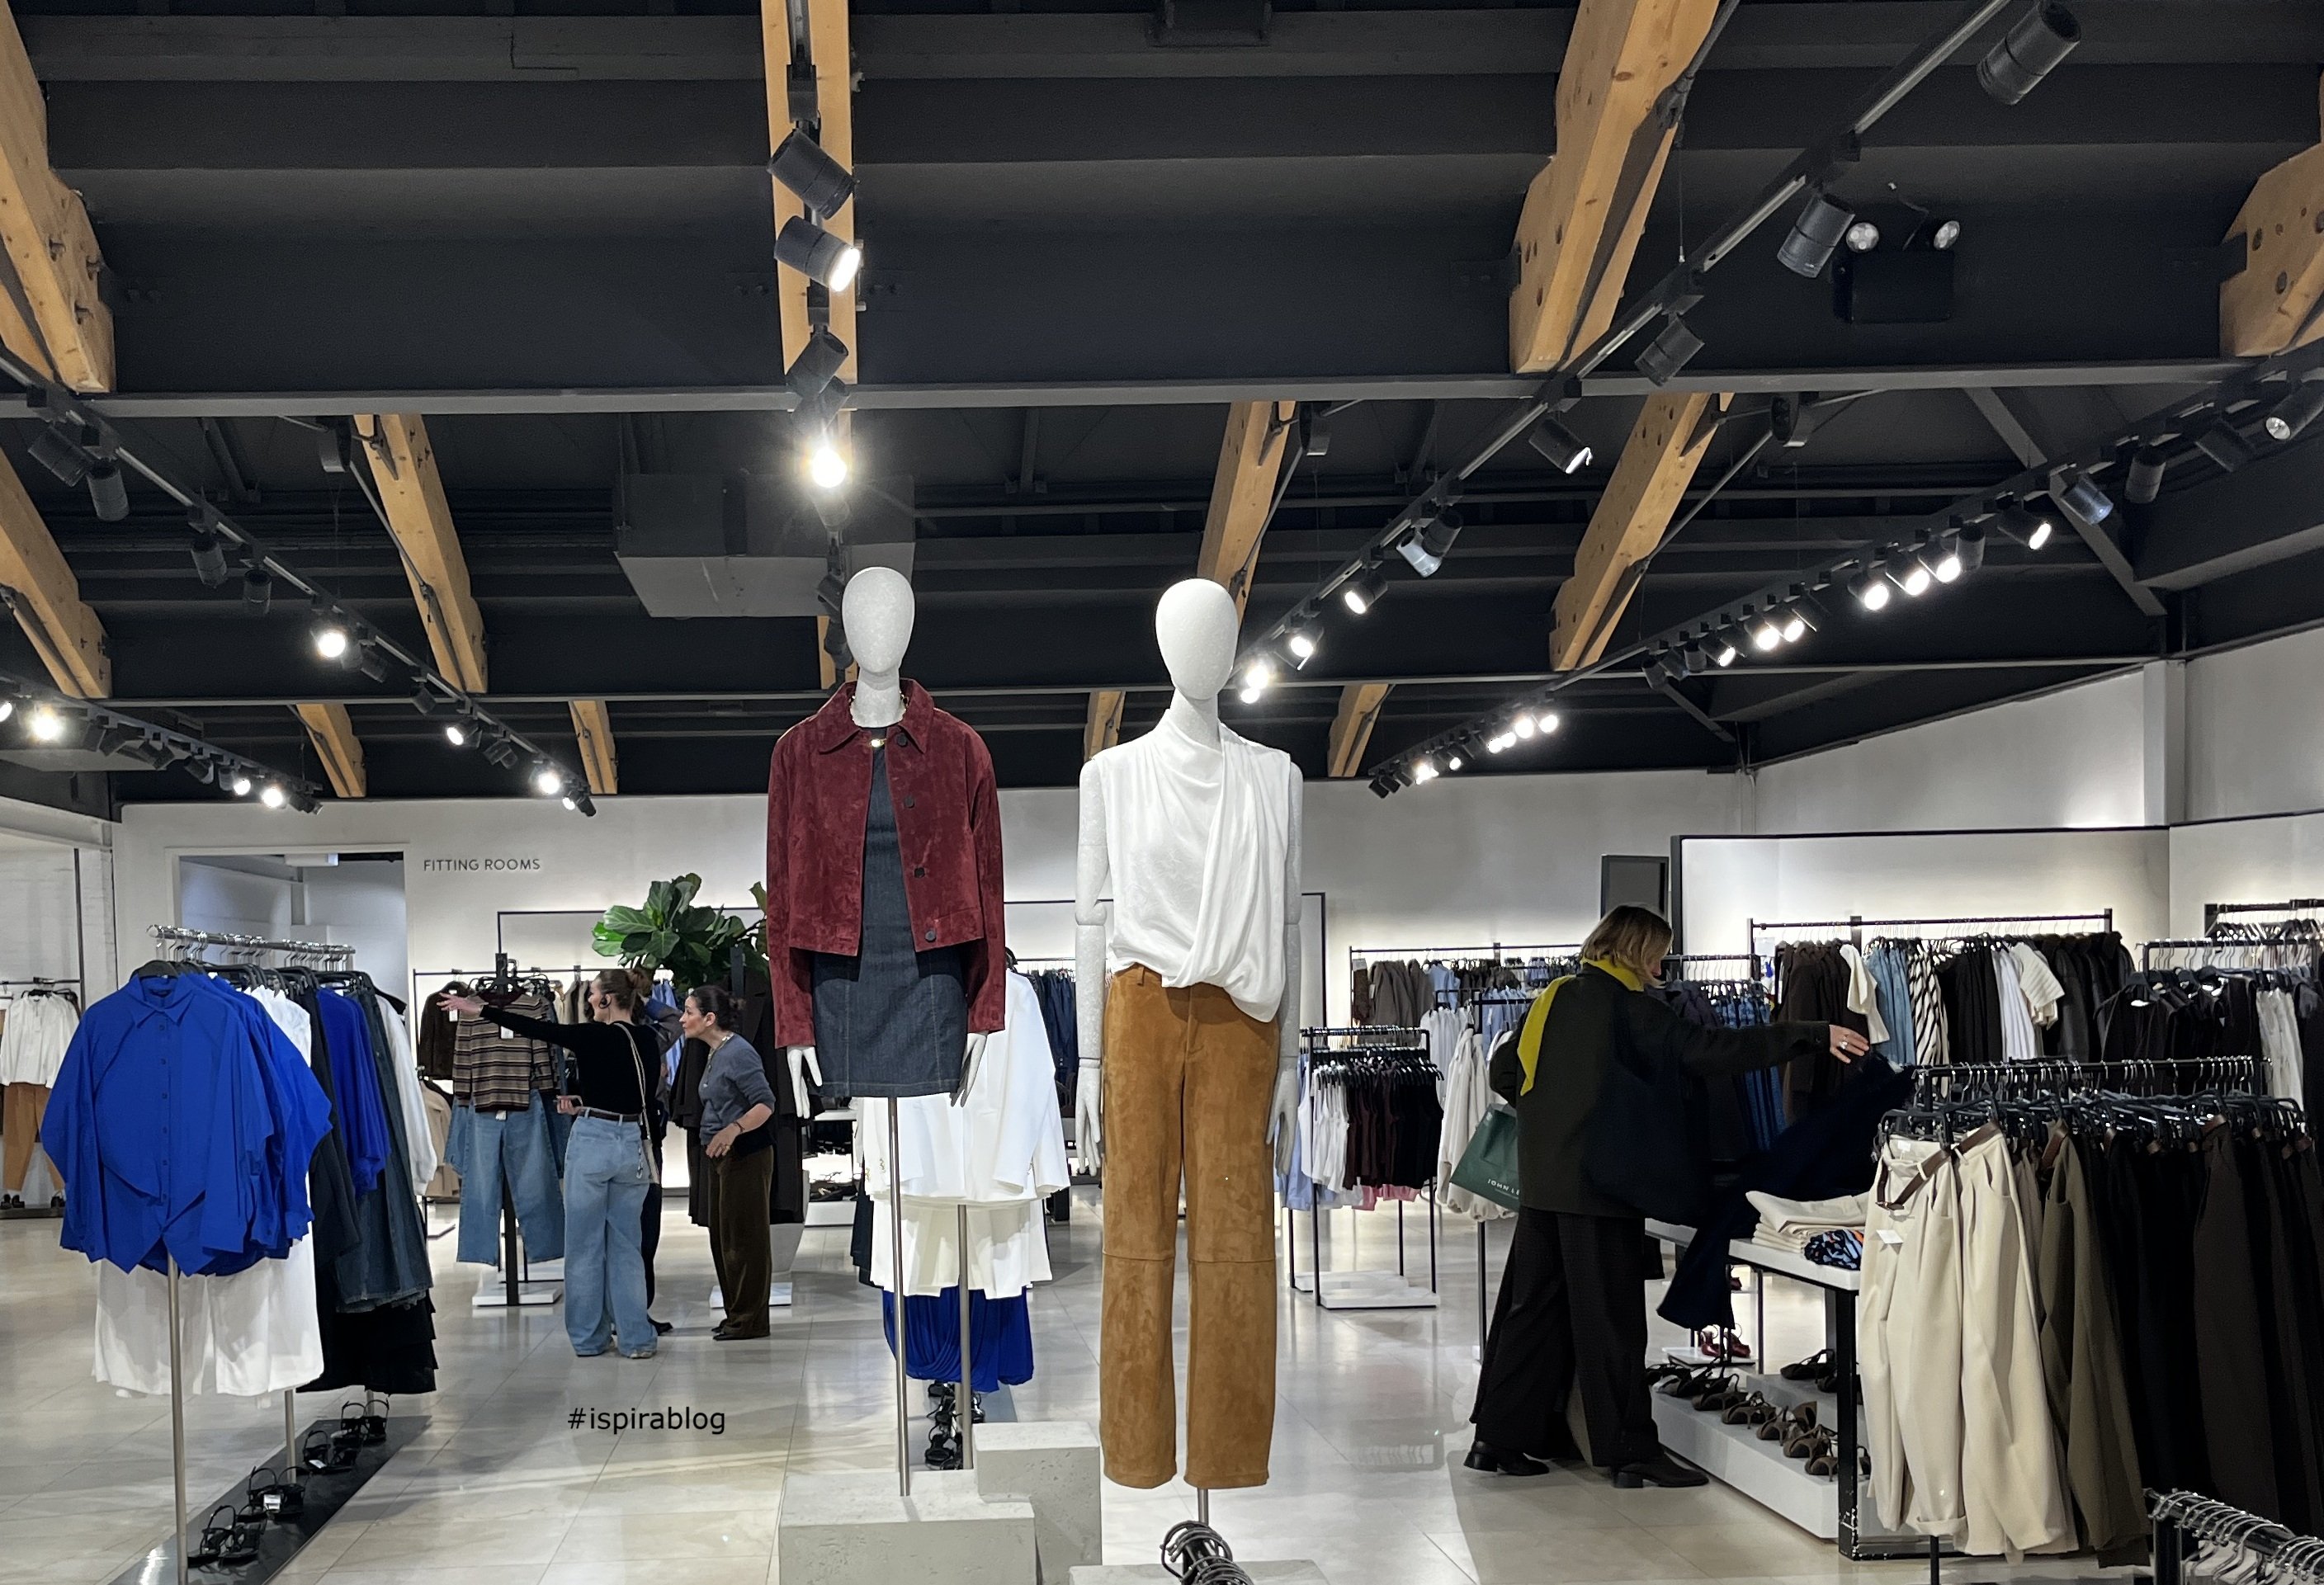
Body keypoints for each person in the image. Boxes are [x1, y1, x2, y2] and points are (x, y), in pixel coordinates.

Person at [1466, 905, 1868, 1488]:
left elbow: (1506, 1072)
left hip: (1545, 1183)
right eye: (1658, 952)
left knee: (1531, 1313)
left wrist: (1557, 1116)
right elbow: (1710, 1049)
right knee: (1613, 1325)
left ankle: (1496, 1439)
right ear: (1637, 951)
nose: (1662, 964)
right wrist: (1809, 1034)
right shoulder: (1632, 1009)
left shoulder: (1553, 997)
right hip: (1601, 1188)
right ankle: (1628, 1451)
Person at [445, 969, 663, 1360]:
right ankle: (636, 1339)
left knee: (584, 1246)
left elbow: (535, 1029)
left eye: (592, 994)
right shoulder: (646, 1039)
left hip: (593, 1141)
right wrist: (584, 1102)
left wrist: (481, 1010)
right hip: (630, 1143)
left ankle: (590, 1338)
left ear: (606, 999)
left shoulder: (591, 1035)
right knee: (627, 1247)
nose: (588, 1001)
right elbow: (630, 1091)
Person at [683, 983, 781, 1341]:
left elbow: (765, 1103)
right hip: (723, 1156)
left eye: (689, 1012)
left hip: (746, 1154)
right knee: (725, 1239)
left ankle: (750, 1319)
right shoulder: (717, 1052)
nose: (683, 1019)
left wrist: (733, 1129)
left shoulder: (738, 1053)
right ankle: (738, 1315)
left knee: (745, 1241)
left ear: (709, 1018)